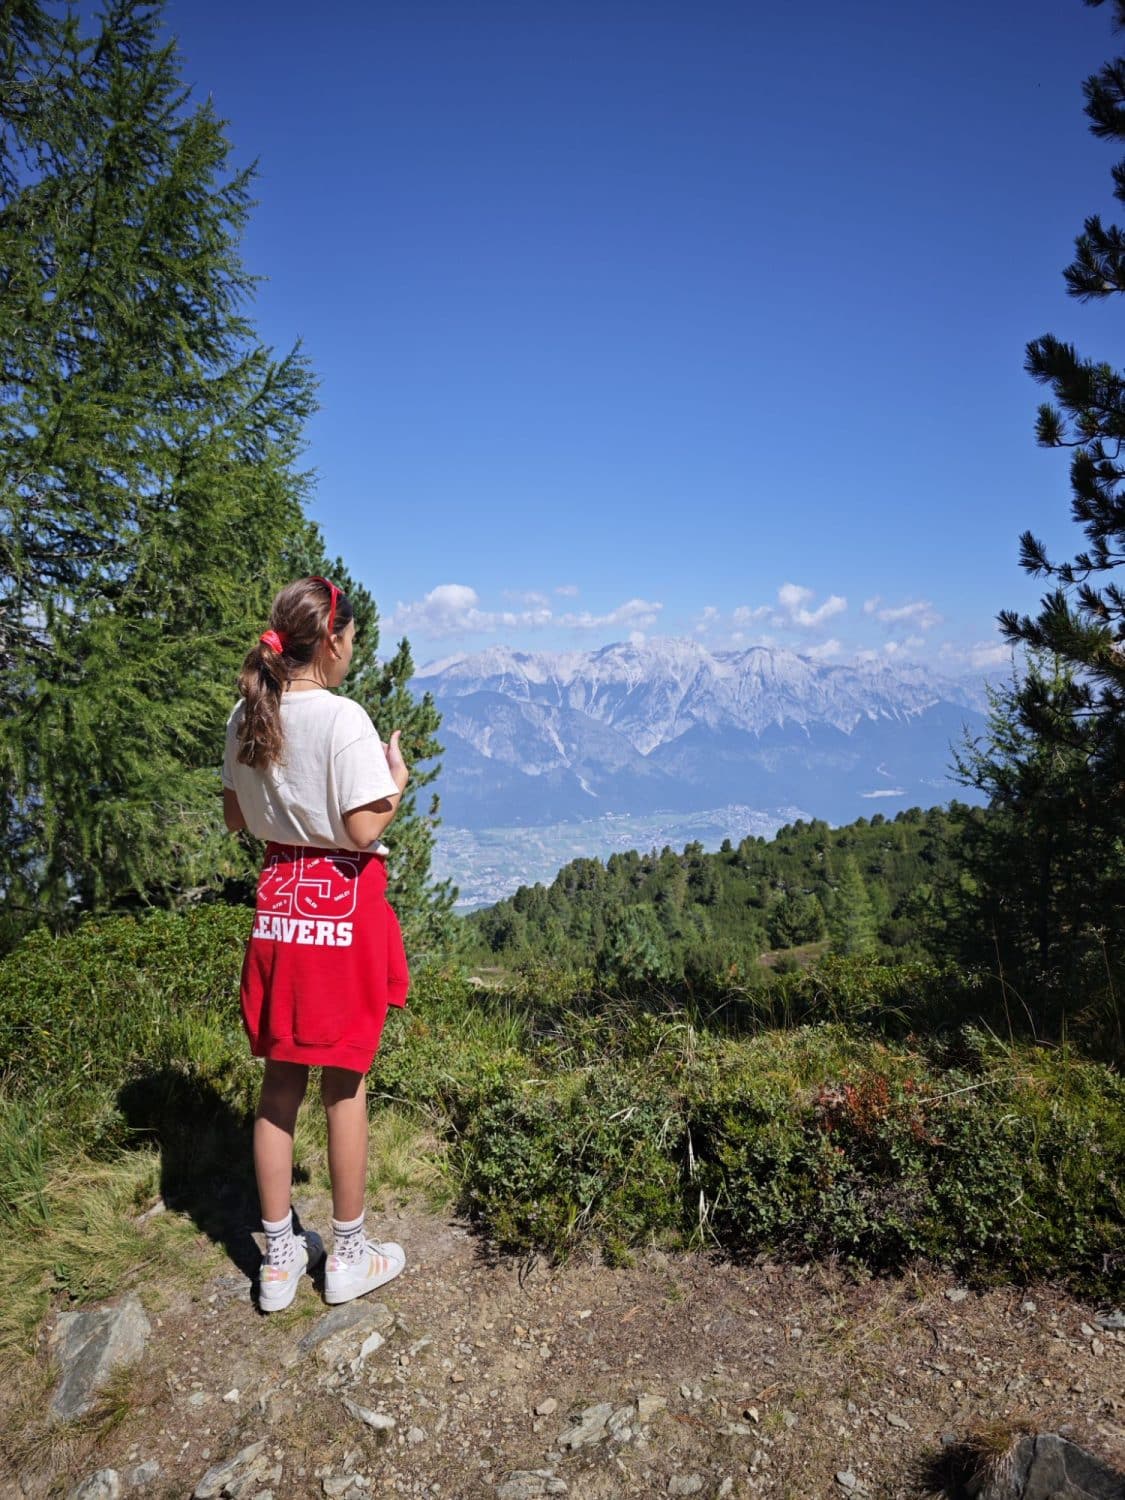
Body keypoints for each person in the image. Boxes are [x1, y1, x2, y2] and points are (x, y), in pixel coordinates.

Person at [221, 575, 411, 1313]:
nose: (353, 653)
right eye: (353, 641)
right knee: (345, 1084)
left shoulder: (248, 711)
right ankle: (349, 1254)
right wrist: (394, 783)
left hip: (279, 914)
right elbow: (364, 830)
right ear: (331, 641)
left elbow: (238, 818)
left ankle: (277, 1260)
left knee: (277, 1085)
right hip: (340, 919)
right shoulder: (343, 719)